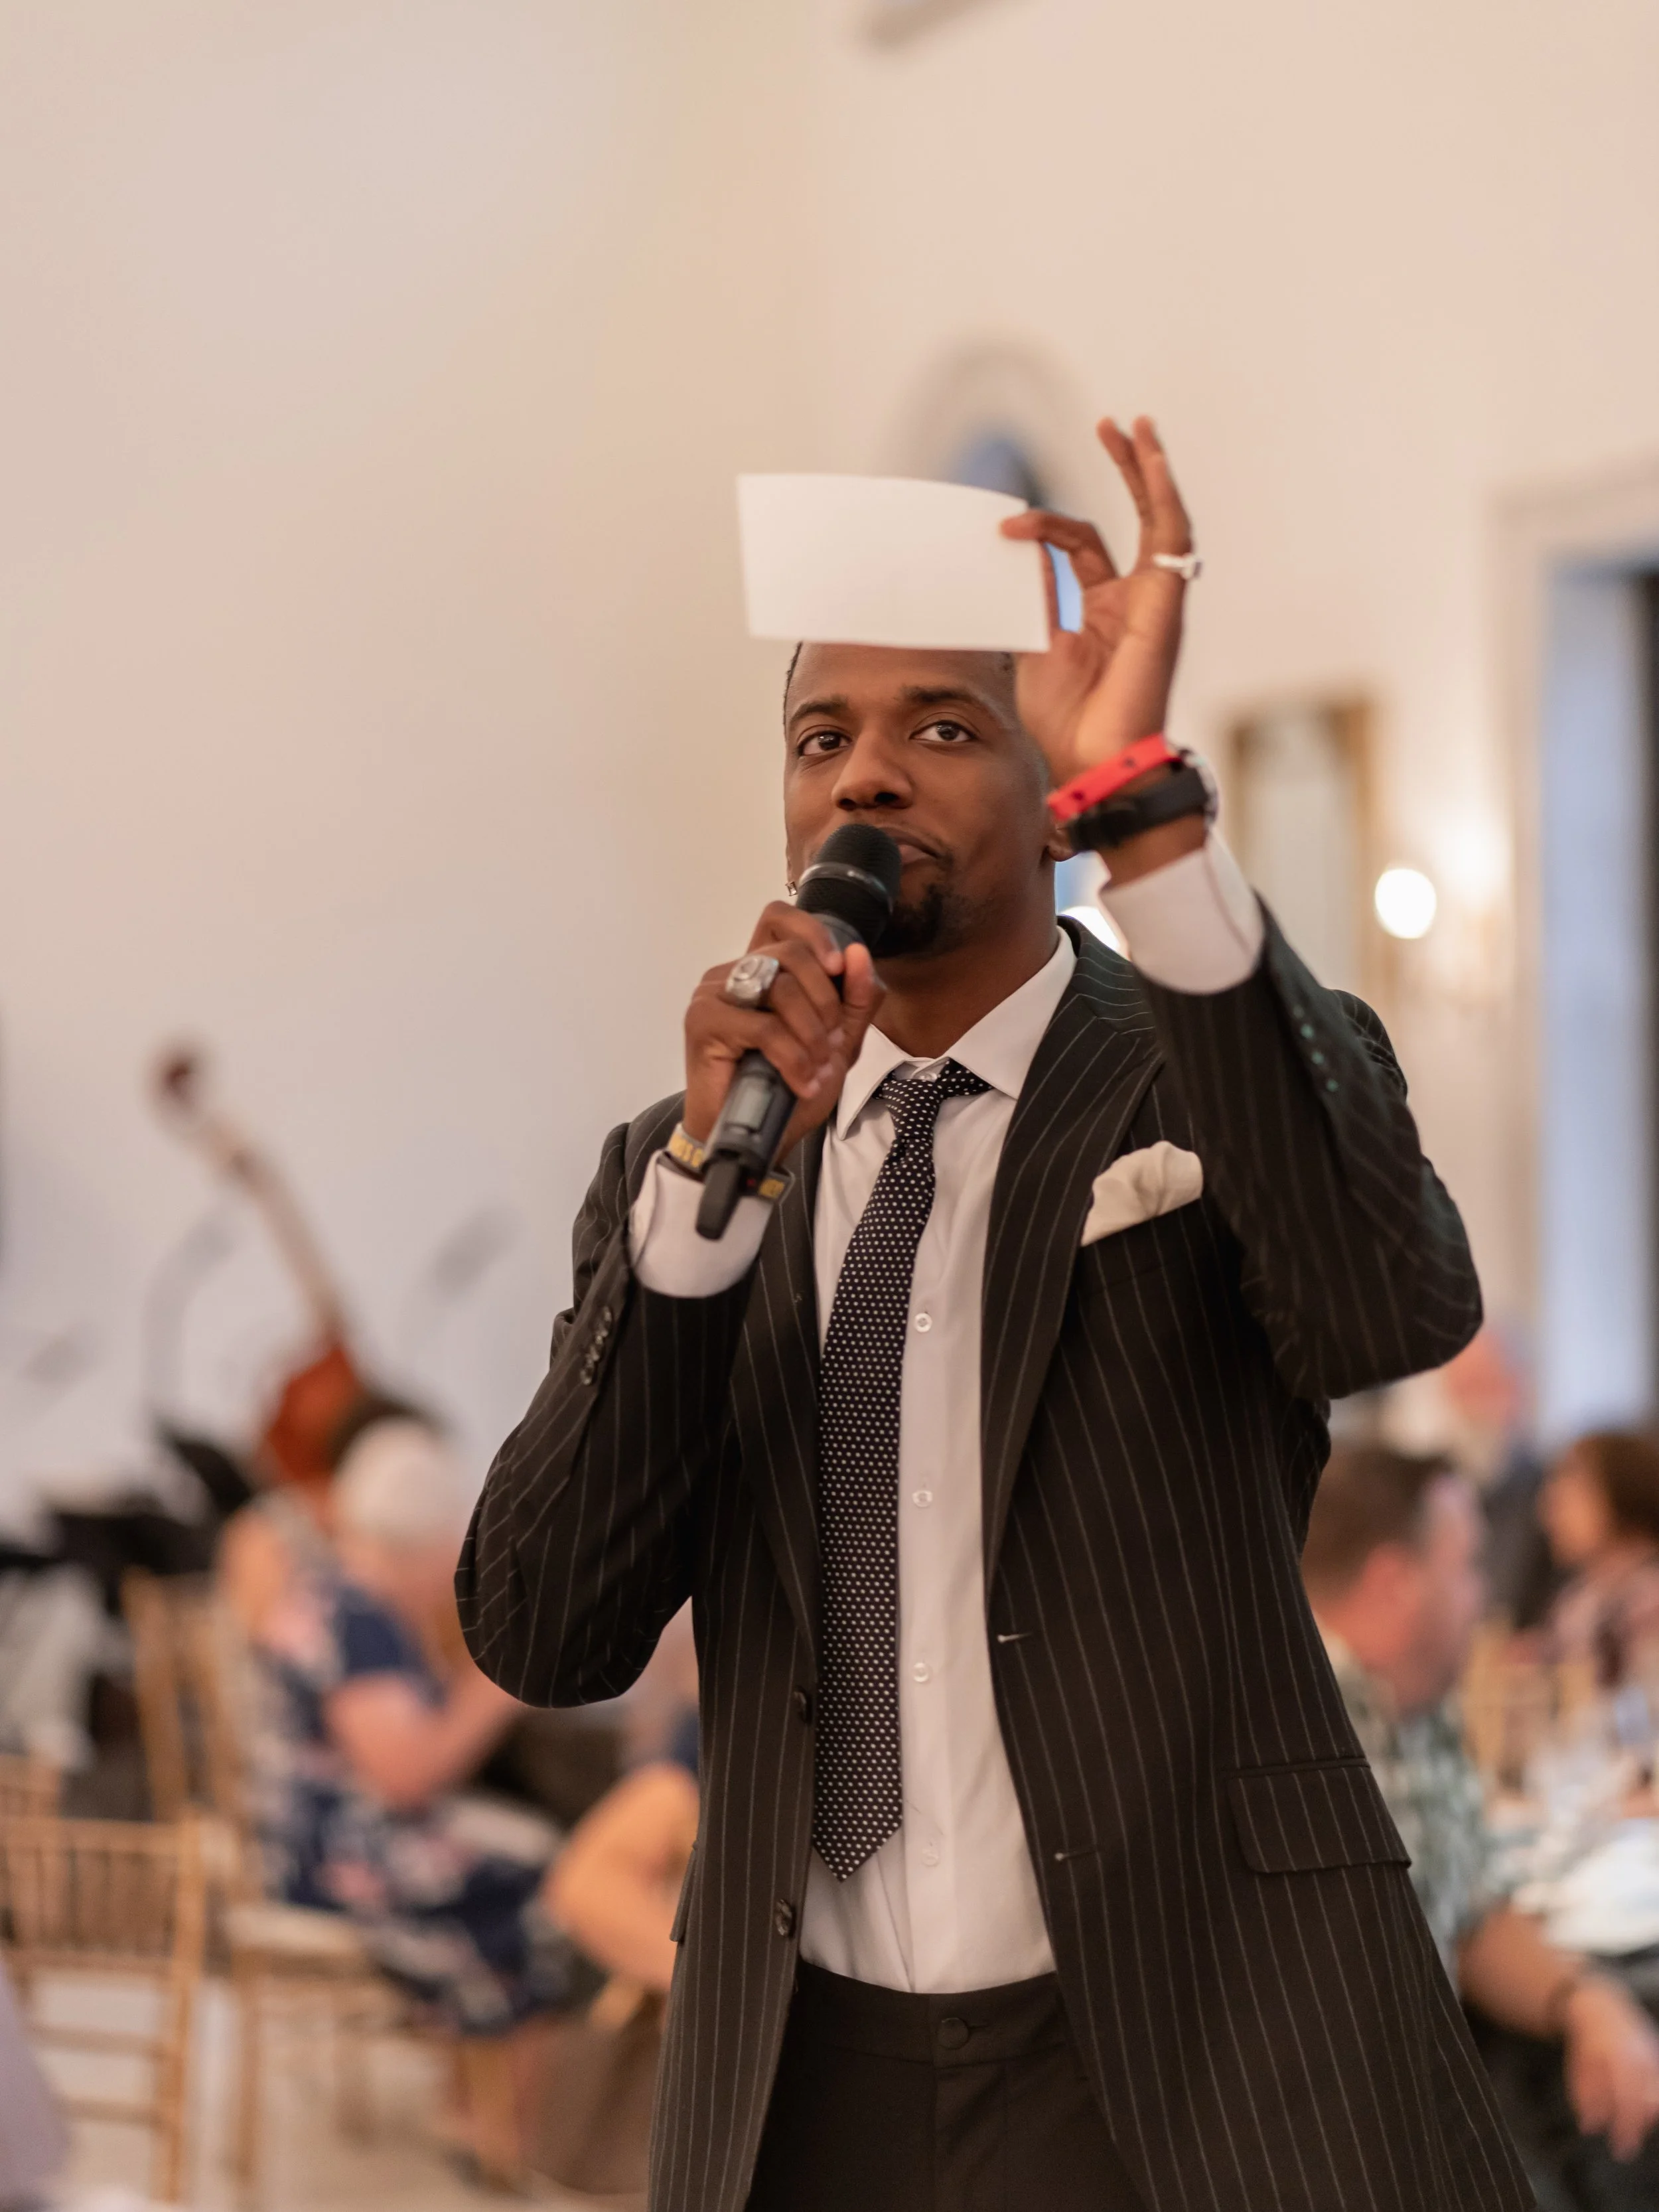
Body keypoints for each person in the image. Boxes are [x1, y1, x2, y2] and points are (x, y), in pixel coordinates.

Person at [459, 414, 1528, 2212]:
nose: (866, 775)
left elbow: (1383, 1304)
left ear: (1054, 788)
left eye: (942, 727)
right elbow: (544, 1627)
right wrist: (703, 1217)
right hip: (808, 2080)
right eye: (821, 737)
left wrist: (1151, 821)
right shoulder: (685, 1171)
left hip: (1189, 2057)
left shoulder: (1195, 1080)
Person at [1304, 1442, 1659, 2197]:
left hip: (1425, 2093)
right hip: (1347, 2143)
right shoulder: (1305, 1728)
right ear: (1395, 1584)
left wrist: (1585, 1999)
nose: (1482, 1598)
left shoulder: (1410, 1702)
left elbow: (1468, 1905)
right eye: (1464, 1567)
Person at [247, 1415, 583, 2176]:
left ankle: (474, 2108)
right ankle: (505, 2134)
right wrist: (502, 1686)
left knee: (514, 1856)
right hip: (337, 1860)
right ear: (425, 1539)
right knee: (545, 1886)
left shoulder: (331, 1593)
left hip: (306, 1842)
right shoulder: (358, 1617)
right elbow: (406, 1775)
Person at [1540, 1432, 1659, 1691]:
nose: (1551, 1507)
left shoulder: (1650, 1599)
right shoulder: (1577, 1602)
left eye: (1573, 1486)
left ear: (1625, 1488)